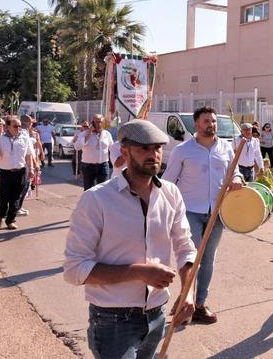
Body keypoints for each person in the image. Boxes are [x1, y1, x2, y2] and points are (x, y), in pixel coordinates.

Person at [63, 119, 198, 358]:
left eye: (157, 148)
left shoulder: (171, 193)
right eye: (143, 148)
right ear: (124, 152)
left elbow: (185, 248)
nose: (153, 154)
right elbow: (74, 270)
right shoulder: (96, 200)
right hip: (113, 320)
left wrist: (187, 292)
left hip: (157, 315)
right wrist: (138, 272)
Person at [163, 106, 244, 324]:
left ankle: (199, 305)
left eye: (214, 121)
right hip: (190, 211)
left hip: (217, 213)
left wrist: (237, 179)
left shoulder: (226, 148)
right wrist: (165, 210)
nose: (211, 125)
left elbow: (234, 171)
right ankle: (185, 301)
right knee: (191, 259)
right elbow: (168, 182)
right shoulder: (183, 150)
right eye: (207, 121)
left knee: (208, 259)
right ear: (196, 125)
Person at [0, 116, 36, 230]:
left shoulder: (24, 138)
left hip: (20, 172)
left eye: (19, 126)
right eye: (15, 126)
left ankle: (10, 220)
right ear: (8, 127)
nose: (18, 128)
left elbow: (28, 154)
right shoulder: (1, 139)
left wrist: (31, 168)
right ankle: (0, 215)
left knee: (16, 198)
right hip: (5, 173)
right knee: (3, 198)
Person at [75, 114, 114, 190]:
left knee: (103, 190)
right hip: (88, 166)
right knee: (89, 190)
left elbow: (112, 148)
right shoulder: (84, 134)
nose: (99, 124)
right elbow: (77, 147)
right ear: (92, 123)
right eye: (96, 122)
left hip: (103, 165)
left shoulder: (107, 134)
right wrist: (89, 134)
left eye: (100, 122)